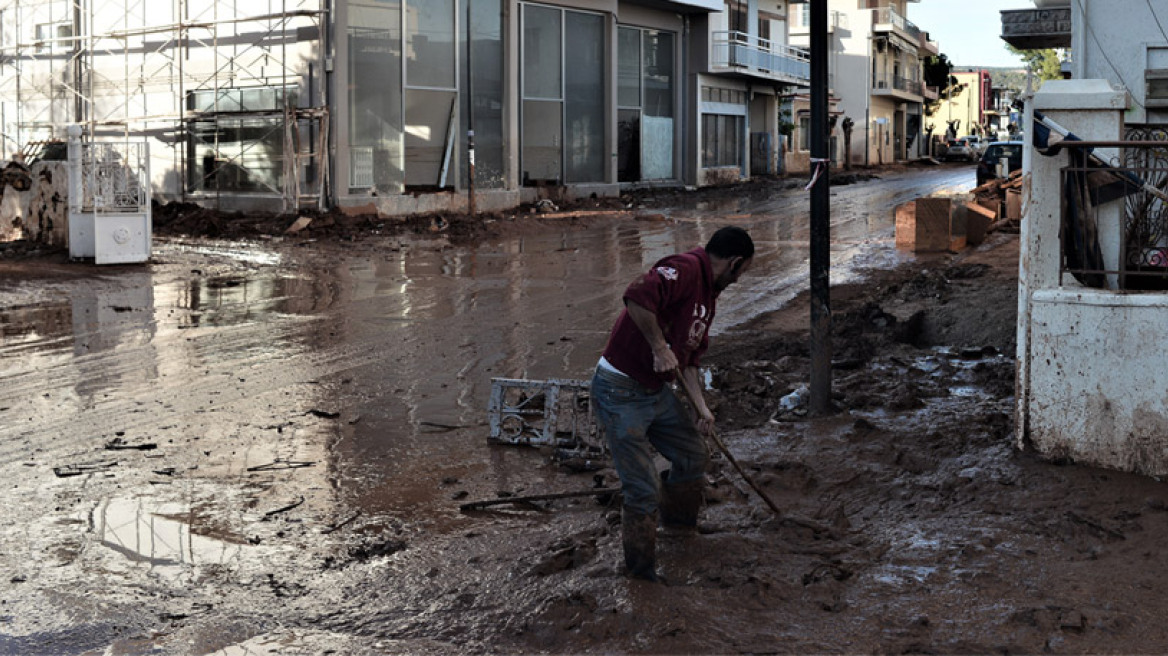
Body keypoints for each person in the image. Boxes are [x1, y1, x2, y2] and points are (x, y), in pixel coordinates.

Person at [591, 226, 755, 582]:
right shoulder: (684, 268)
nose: (740, 281)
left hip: (655, 393)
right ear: (734, 263)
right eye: (742, 272)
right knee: (643, 488)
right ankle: (641, 573)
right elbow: (636, 297)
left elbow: (690, 359)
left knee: (694, 454)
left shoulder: (709, 296)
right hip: (619, 391)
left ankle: (679, 529)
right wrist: (658, 346)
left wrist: (701, 408)